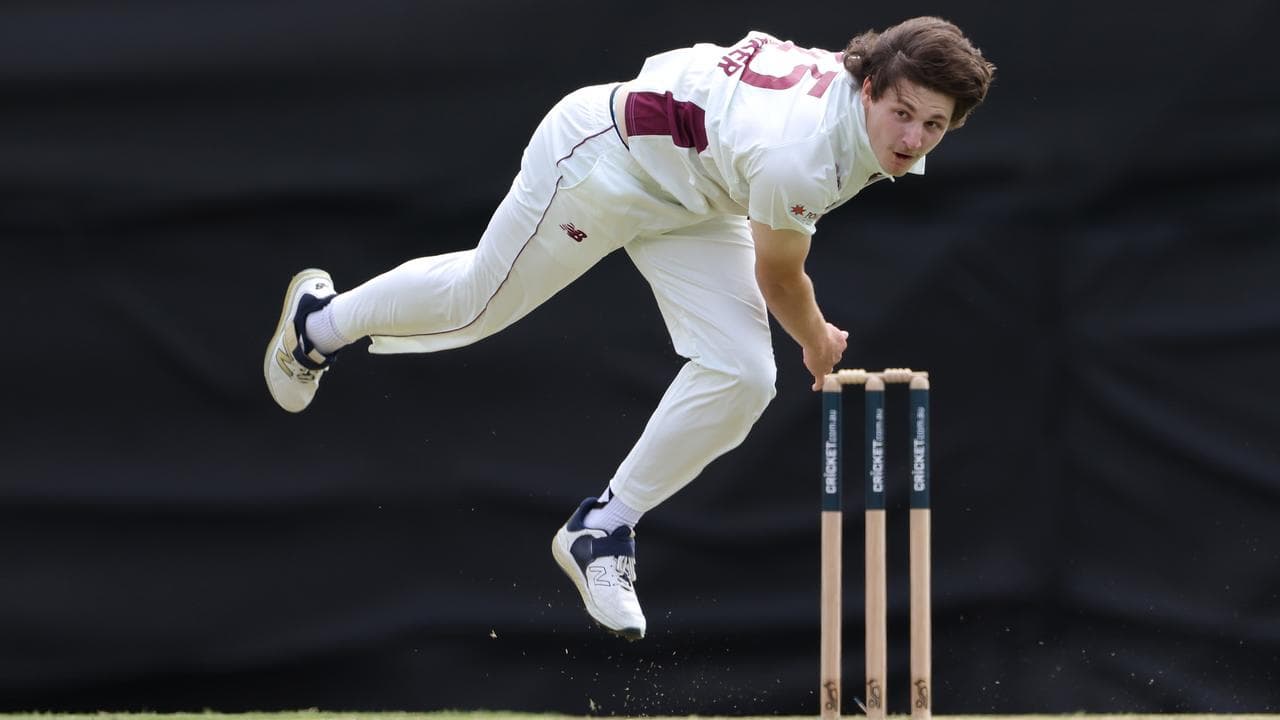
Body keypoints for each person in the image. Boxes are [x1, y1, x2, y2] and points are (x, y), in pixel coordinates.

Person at [264, 16, 994, 640]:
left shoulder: (857, 88)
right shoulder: (801, 156)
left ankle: (603, 526)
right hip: (604, 160)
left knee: (742, 376)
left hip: (698, 192)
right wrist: (816, 339)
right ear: (868, 86)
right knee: (473, 306)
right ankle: (318, 322)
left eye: (935, 125)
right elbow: (780, 278)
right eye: (903, 113)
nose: (914, 137)